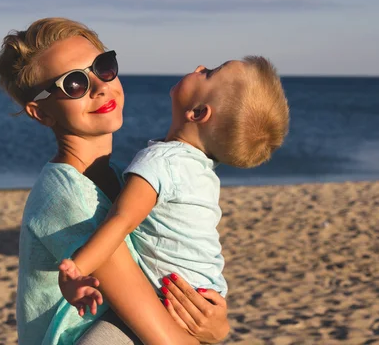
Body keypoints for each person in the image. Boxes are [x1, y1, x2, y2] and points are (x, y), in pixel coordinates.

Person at [0, 17, 230, 344]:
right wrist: (216, 336)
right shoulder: (70, 197)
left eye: (103, 67)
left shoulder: (120, 175)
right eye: (74, 83)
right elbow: (162, 335)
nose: (100, 86)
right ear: (42, 113)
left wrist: (216, 326)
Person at [58, 56, 290, 318]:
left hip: (173, 301)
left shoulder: (161, 162)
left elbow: (122, 220)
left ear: (198, 113)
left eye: (209, 73)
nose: (200, 66)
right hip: (206, 295)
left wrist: (76, 270)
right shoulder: (201, 170)